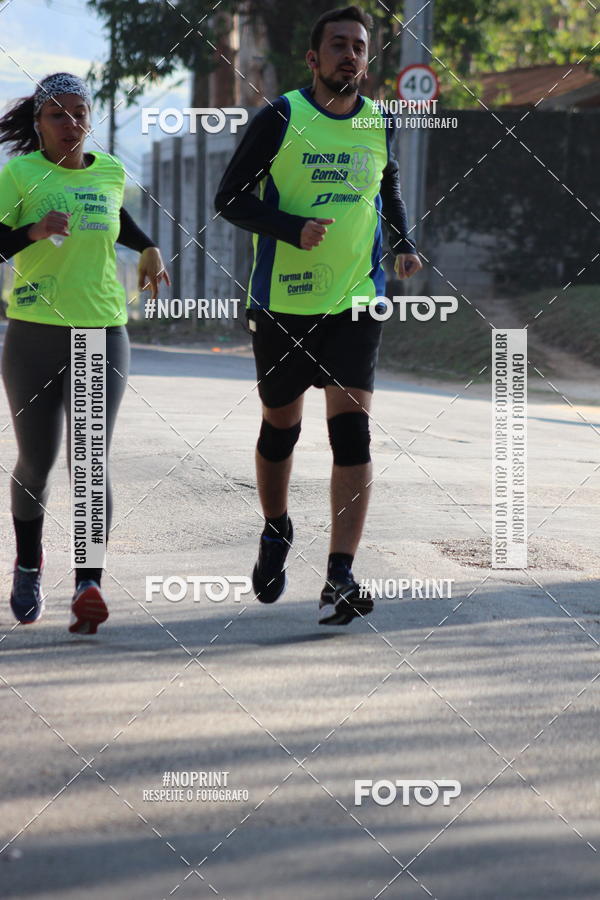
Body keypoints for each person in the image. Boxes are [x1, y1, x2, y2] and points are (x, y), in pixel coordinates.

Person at [215, 6, 423, 625]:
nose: (351, 55)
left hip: (356, 301)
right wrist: (288, 228)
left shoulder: (378, 122)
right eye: (338, 45)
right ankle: (276, 527)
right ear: (314, 58)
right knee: (281, 428)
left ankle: (340, 572)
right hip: (281, 303)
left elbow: (386, 188)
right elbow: (228, 198)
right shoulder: (281, 117)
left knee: (351, 434)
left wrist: (403, 241)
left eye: (360, 47)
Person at [0, 72, 170, 633]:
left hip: (101, 332)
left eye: (80, 113)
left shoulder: (112, 172)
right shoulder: (20, 173)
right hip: (32, 333)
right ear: (39, 122)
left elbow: (116, 218)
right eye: (59, 115)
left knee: (91, 463)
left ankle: (88, 585)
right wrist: (29, 232)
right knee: (37, 462)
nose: (71, 124)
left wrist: (147, 247)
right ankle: (27, 564)